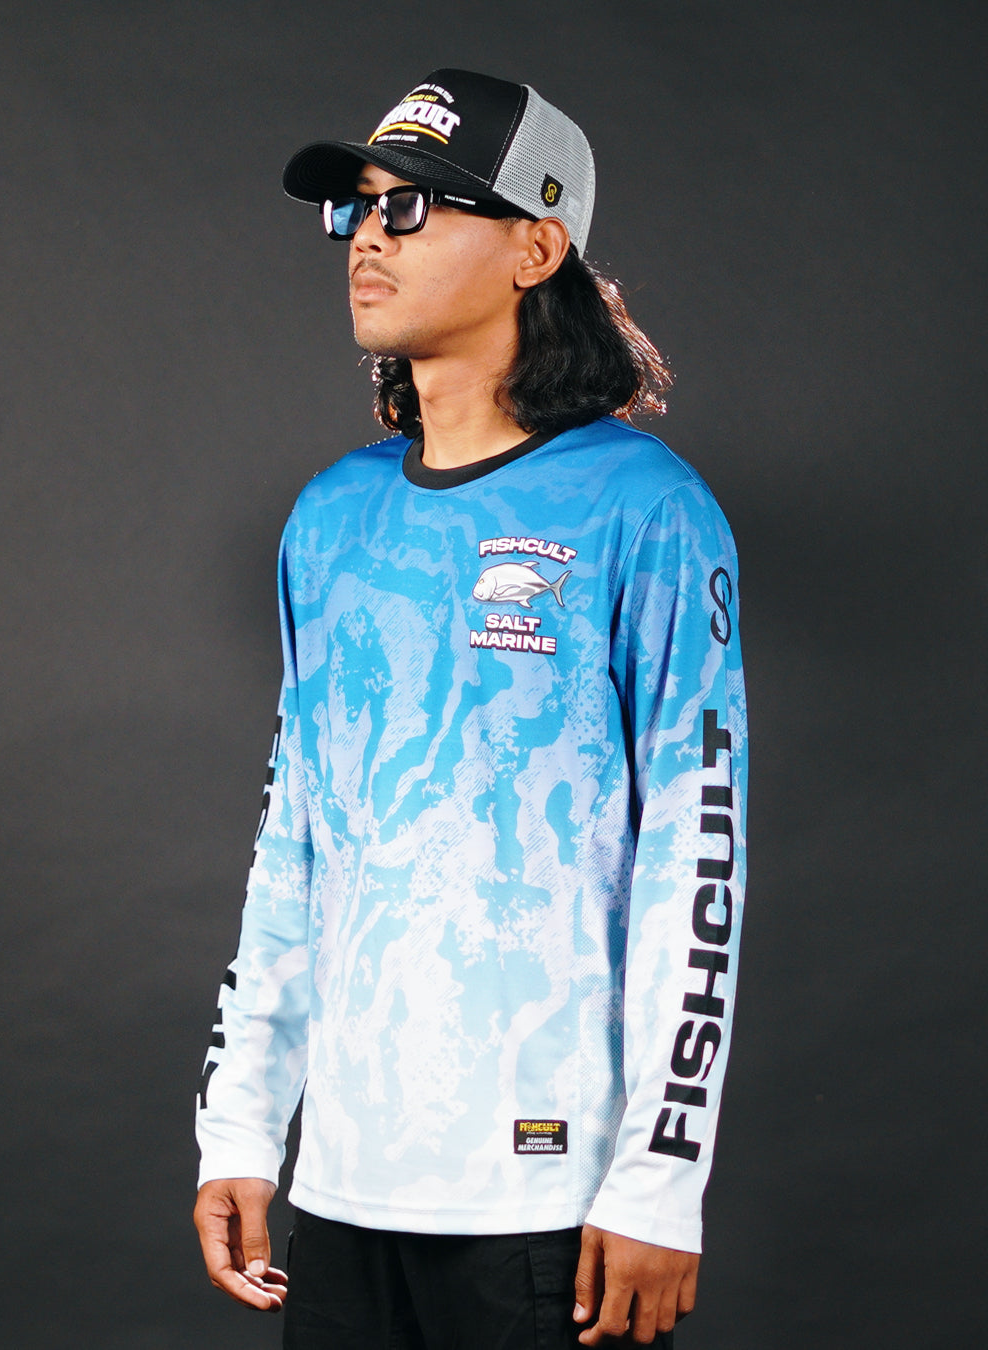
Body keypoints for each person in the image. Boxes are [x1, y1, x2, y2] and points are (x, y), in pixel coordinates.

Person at [193, 68, 747, 1349]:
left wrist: (661, 1177)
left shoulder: (645, 510)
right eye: (357, 208)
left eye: (414, 208)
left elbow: (698, 859)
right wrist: (240, 1125)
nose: (366, 240)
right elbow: (295, 842)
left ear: (536, 248)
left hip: (549, 1206)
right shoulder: (332, 515)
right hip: (341, 1195)